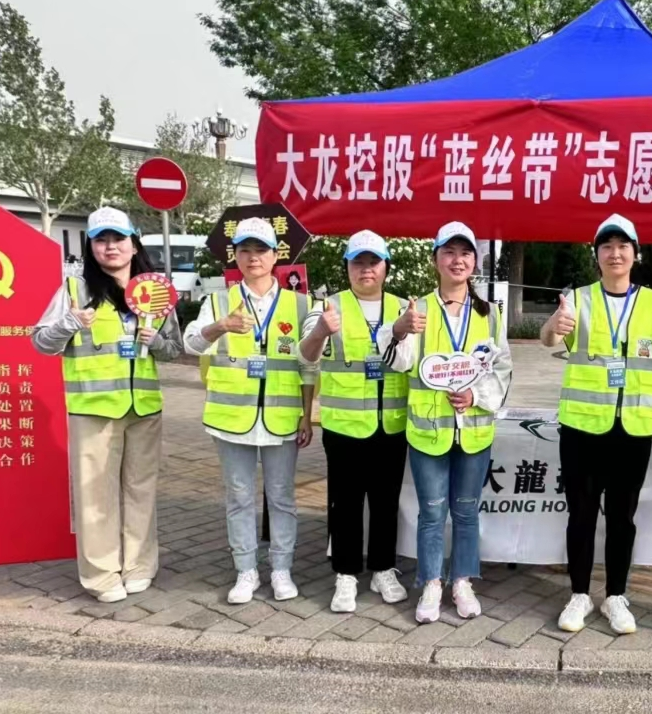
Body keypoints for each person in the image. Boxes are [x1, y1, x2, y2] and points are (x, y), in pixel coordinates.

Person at [33, 207, 183, 602]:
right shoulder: (74, 289)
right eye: (101, 240)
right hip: (93, 410)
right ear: (91, 247)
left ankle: (139, 566)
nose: (110, 247)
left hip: (144, 409)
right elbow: (41, 343)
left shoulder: (155, 290)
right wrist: (70, 323)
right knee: (95, 496)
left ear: (134, 245)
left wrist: (156, 341)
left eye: (118, 239)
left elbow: (173, 349)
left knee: (141, 490)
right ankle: (101, 575)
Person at [540, 214, 652, 635]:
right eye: (606, 246)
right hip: (582, 427)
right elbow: (549, 339)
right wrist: (553, 326)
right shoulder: (576, 299)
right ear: (596, 255)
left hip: (634, 426)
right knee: (580, 514)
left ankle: (616, 595)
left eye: (623, 246)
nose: (615, 254)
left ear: (636, 253)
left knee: (623, 516)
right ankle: (579, 593)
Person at [377, 221, 512, 624]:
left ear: (475, 261)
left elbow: (502, 367)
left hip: (473, 431)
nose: (457, 260)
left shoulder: (489, 313)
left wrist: (476, 397)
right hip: (428, 432)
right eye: (449, 252)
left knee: (467, 511)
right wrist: (399, 331)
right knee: (432, 512)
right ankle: (432, 582)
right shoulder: (416, 309)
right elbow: (398, 362)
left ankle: (463, 581)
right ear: (436, 259)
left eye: (465, 252)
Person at [183, 218, 317, 604]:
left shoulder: (301, 303)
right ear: (235, 256)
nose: (253, 257)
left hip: (281, 418)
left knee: (282, 497)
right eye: (245, 250)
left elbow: (309, 365)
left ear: (275, 256)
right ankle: (246, 571)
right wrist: (219, 327)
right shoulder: (217, 302)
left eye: (261, 250)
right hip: (231, 419)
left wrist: (306, 415)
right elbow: (191, 344)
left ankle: (281, 569)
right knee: (239, 496)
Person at [299, 230, 411, 612]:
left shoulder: (402, 308)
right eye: (357, 262)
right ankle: (345, 574)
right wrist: (320, 331)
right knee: (345, 504)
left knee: (385, 502)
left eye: (373, 262)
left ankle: (383, 569)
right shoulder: (328, 306)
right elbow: (305, 355)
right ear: (346, 267)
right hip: (344, 427)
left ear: (386, 267)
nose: (366, 269)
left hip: (391, 424)